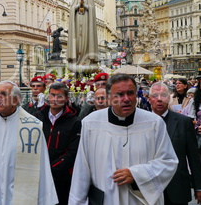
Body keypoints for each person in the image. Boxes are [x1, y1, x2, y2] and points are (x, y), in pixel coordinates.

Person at [69, 73, 178, 205]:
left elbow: (168, 162)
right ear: (109, 98)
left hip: (139, 200)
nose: (126, 99)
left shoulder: (154, 123)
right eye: (119, 94)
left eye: (130, 93)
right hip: (105, 198)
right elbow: (82, 168)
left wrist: (137, 174)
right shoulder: (90, 124)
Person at [149, 82, 201, 205]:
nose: (159, 99)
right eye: (155, 96)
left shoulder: (183, 122)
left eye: (163, 95)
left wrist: (199, 186)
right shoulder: (140, 122)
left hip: (177, 186)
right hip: (149, 187)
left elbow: (193, 156)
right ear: (149, 99)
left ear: (169, 98)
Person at [34, 82, 80, 204]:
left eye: (59, 96)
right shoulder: (37, 117)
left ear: (66, 99)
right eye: (52, 95)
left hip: (61, 178)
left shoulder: (74, 122)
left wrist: (52, 169)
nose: (55, 99)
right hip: (37, 174)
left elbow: (73, 152)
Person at [67, 0, 98, 66]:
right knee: (77, 39)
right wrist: (78, 5)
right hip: (77, 21)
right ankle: (76, 58)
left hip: (86, 21)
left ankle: (86, 58)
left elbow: (92, 9)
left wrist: (84, 5)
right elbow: (72, 9)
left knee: (86, 38)